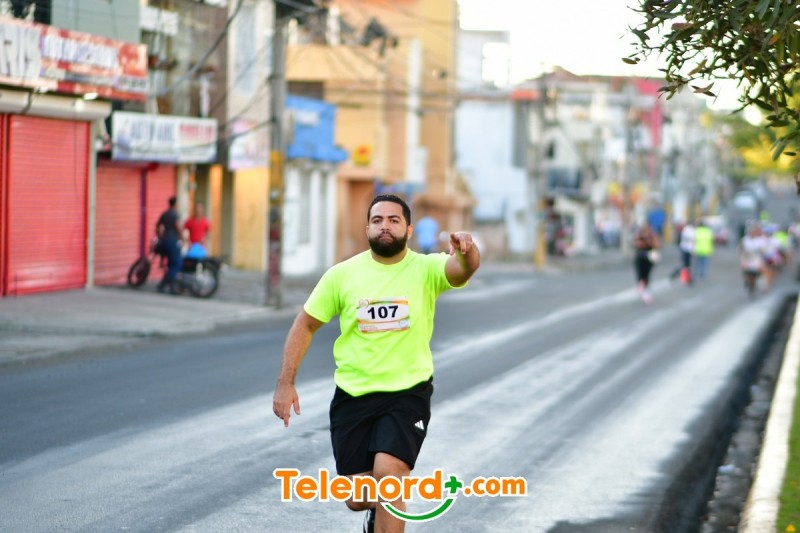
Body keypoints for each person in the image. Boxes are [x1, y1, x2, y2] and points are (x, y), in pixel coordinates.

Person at [272, 194, 480, 533]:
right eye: (378, 220)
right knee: (357, 497)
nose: (385, 226)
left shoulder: (426, 269)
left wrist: (468, 251)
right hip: (353, 395)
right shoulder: (342, 275)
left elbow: (463, 270)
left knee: (390, 476)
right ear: (367, 227)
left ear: (408, 229)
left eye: (394, 220)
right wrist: (285, 382)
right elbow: (305, 324)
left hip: (407, 393)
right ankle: (376, 510)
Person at [155, 196, 182, 294]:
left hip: (164, 241)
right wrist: (183, 238)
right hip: (172, 242)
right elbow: (178, 227)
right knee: (176, 264)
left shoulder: (165, 214)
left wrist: (159, 235)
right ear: (176, 204)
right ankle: (172, 287)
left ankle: (162, 285)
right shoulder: (175, 214)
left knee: (171, 265)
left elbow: (157, 225)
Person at [632, 222, 660, 304]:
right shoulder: (639, 234)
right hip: (640, 257)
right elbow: (636, 244)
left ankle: (646, 291)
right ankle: (641, 286)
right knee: (640, 274)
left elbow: (656, 245)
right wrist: (640, 242)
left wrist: (648, 241)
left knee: (646, 275)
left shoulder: (652, 235)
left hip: (649, 257)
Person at [739, 222, 766, 297]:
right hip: (746, 259)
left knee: (754, 275)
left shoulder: (759, 241)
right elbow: (741, 249)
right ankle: (748, 283)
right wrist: (743, 257)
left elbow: (763, 250)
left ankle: (753, 286)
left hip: (755, 260)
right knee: (747, 273)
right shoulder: (744, 240)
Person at [669, 220, 695, 284]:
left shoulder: (685, 229)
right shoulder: (691, 230)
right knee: (687, 264)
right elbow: (693, 239)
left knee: (685, 263)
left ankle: (685, 275)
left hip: (684, 248)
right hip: (689, 249)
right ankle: (686, 276)